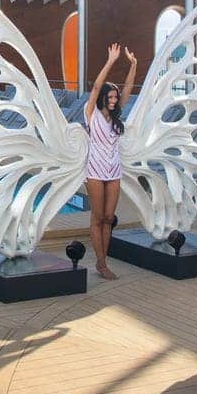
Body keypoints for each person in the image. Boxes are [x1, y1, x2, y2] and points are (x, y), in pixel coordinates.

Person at [83, 43, 138, 281]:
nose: (115, 100)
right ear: (104, 98)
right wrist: (111, 61)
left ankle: (103, 259)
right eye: (111, 97)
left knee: (108, 218)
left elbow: (128, 89)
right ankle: (101, 262)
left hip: (114, 171)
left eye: (116, 97)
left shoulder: (116, 117)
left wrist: (133, 65)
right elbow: (96, 86)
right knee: (97, 217)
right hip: (95, 171)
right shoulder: (91, 114)